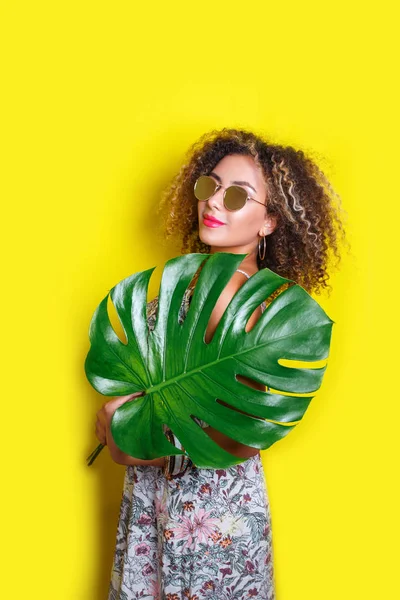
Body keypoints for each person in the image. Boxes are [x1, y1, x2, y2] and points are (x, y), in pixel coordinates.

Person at [95, 128, 347, 599]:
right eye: (209, 186)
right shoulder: (183, 286)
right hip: (158, 500)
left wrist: (132, 443)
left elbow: (244, 432)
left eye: (237, 196)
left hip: (210, 515)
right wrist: (120, 416)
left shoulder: (262, 310)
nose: (214, 203)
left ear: (269, 222)